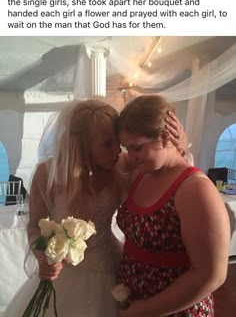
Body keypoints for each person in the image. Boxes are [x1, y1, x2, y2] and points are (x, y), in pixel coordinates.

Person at [3, 99, 189, 317]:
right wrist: (43, 256)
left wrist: (180, 148)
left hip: (111, 268)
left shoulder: (121, 165)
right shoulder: (49, 173)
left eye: (118, 144)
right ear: (82, 143)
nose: (118, 152)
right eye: (107, 144)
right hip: (65, 275)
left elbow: (162, 166)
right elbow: (34, 225)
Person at [116, 95, 230, 317]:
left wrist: (147, 310)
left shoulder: (195, 189)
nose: (130, 156)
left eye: (137, 147)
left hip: (176, 310)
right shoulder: (141, 173)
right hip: (134, 302)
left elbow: (212, 274)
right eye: (127, 148)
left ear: (166, 136)